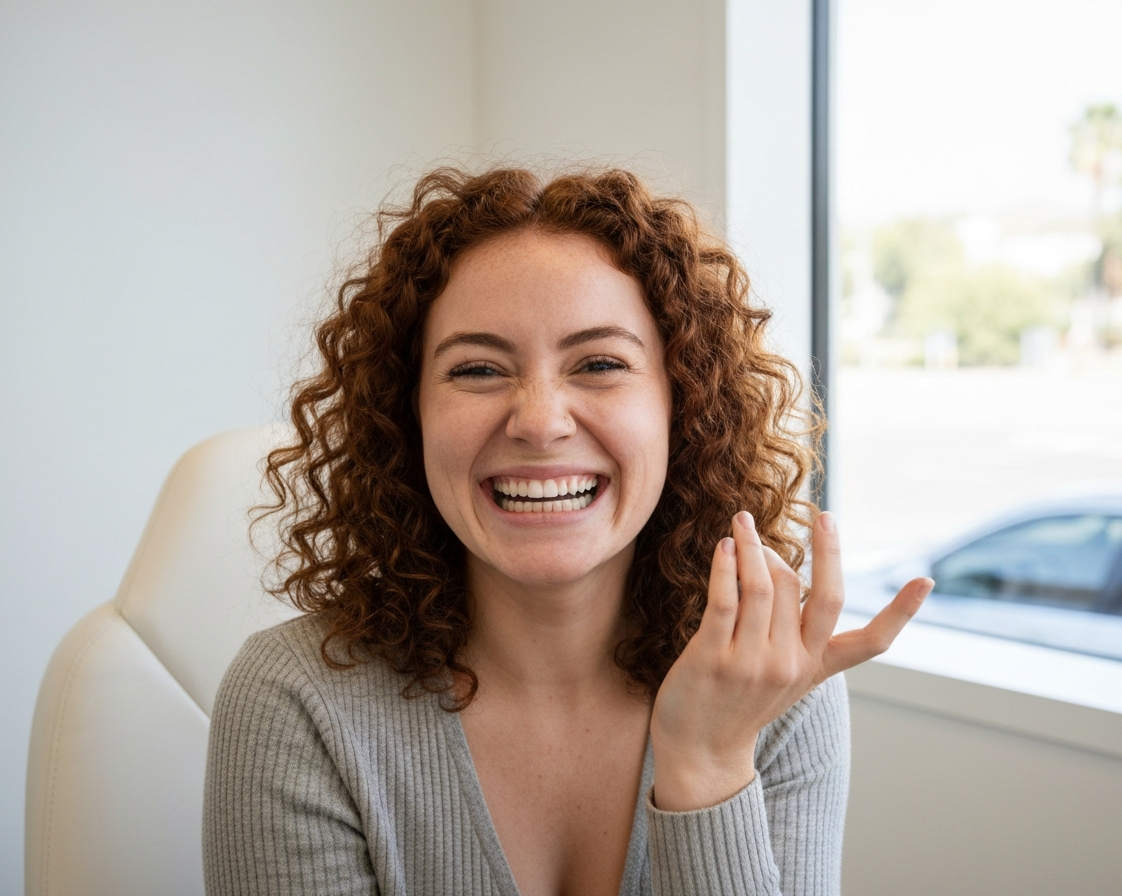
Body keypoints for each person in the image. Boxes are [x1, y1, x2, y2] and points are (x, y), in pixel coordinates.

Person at [202, 166, 932, 896]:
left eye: (601, 364)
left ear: (684, 408)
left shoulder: (769, 682)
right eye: (479, 369)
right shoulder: (294, 699)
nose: (541, 421)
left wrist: (708, 769)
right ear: (407, 413)